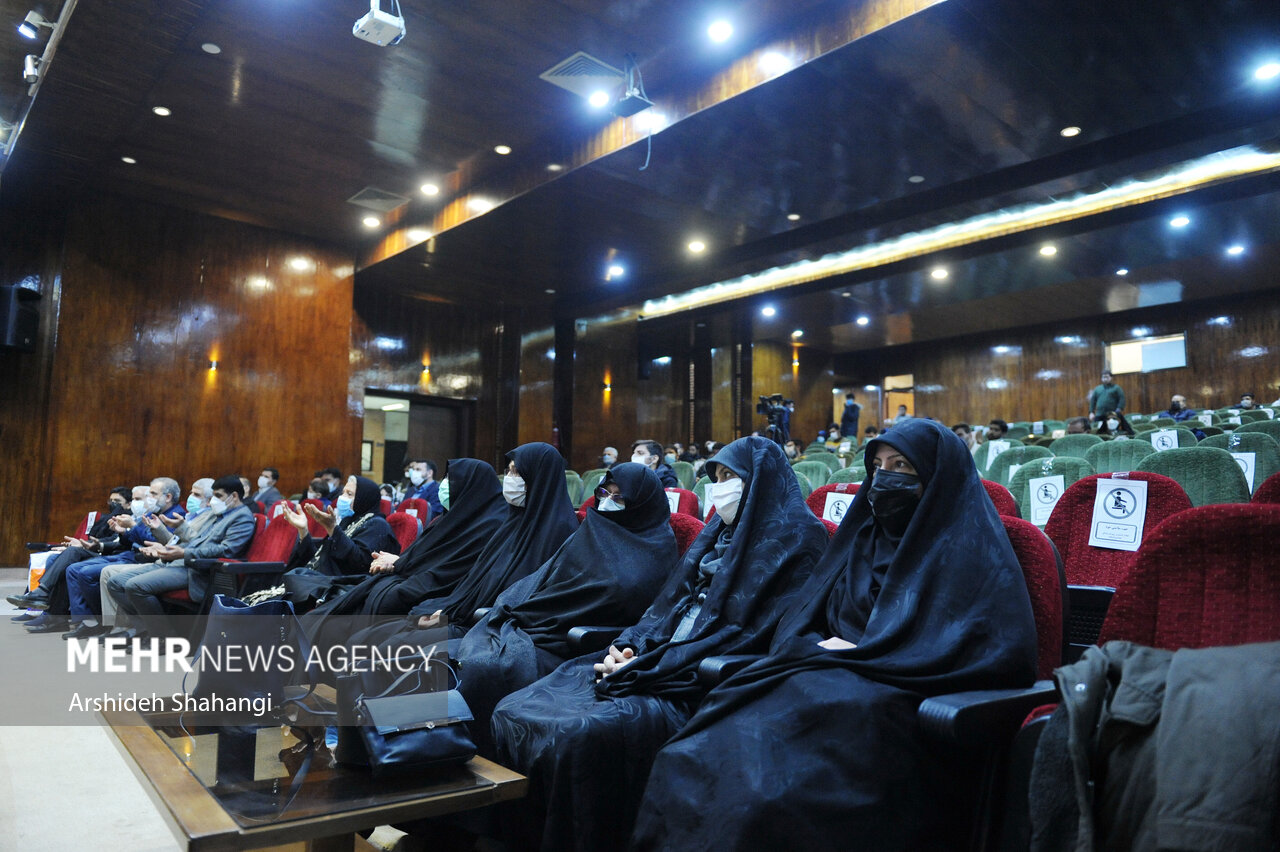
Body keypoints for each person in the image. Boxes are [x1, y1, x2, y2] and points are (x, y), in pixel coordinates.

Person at [631, 419, 1038, 852]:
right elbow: (803, 622)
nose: (884, 478)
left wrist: (868, 654)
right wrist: (823, 650)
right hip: (820, 678)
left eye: (901, 466)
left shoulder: (971, 549)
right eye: (877, 465)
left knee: (762, 798)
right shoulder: (863, 540)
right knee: (687, 758)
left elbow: (992, 655)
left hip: (898, 703)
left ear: (937, 477)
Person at [489, 437, 828, 852]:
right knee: (514, 707)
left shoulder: (798, 539)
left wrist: (649, 666)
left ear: (762, 482)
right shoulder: (717, 532)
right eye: (716, 476)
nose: (719, 486)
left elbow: (753, 634)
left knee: (578, 735)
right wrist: (631, 646)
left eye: (731, 477)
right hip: (658, 656)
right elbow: (665, 604)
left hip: (698, 676)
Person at [373, 464, 677, 763]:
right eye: (604, 493)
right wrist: (511, 612)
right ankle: (397, 752)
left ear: (642, 505)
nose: (608, 502)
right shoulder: (591, 532)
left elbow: (620, 600)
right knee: (427, 656)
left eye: (619, 497)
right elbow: (538, 582)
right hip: (530, 627)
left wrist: (527, 616)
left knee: (474, 669)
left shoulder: (654, 548)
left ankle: (463, 764)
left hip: (568, 644)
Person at [299, 459, 508, 654]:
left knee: (371, 608)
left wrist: (399, 564)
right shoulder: (444, 520)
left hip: (435, 592)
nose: (444, 484)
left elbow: (449, 570)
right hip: (408, 579)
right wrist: (400, 563)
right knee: (332, 612)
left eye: (450, 479)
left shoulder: (489, 526)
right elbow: (420, 557)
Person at [402, 442, 579, 637]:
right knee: (398, 624)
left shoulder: (560, 531)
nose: (510, 479)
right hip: (466, 612)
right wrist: (450, 609)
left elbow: (519, 593)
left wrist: (453, 613)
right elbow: (478, 579)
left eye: (517, 473)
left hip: (492, 626)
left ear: (539, 478)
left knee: (399, 641)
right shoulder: (514, 520)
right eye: (509, 471)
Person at [107, 475, 255, 639]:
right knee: (115, 582)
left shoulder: (242, 517)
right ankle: (147, 629)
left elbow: (226, 551)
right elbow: (196, 540)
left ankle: (163, 637)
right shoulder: (218, 514)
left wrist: (183, 553)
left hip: (197, 570)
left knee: (135, 586)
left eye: (218, 496)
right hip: (178, 560)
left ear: (234, 496)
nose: (213, 500)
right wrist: (171, 547)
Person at [277, 475, 400, 605]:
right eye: (343, 492)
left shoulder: (378, 525)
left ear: (363, 498)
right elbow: (321, 560)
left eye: (349, 494)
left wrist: (332, 528)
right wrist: (303, 531)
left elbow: (358, 563)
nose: (342, 497)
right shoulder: (348, 521)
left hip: (340, 592)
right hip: (318, 582)